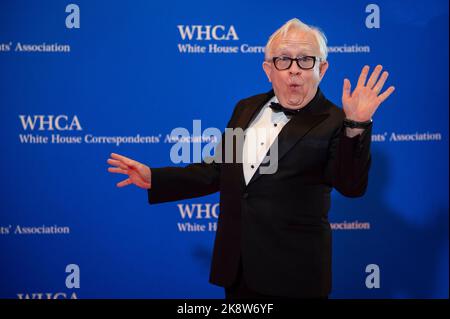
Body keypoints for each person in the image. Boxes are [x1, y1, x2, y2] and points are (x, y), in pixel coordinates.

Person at [107, 18, 395, 299]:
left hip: (296, 277)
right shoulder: (245, 109)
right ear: (268, 69)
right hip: (238, 270)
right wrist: (155, 178)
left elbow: (351, 186)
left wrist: (356, 125)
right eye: (283, 60)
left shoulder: (335, 121)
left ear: (322, 68)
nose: (294, 70)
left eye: (305, 60)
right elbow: (218, 170)